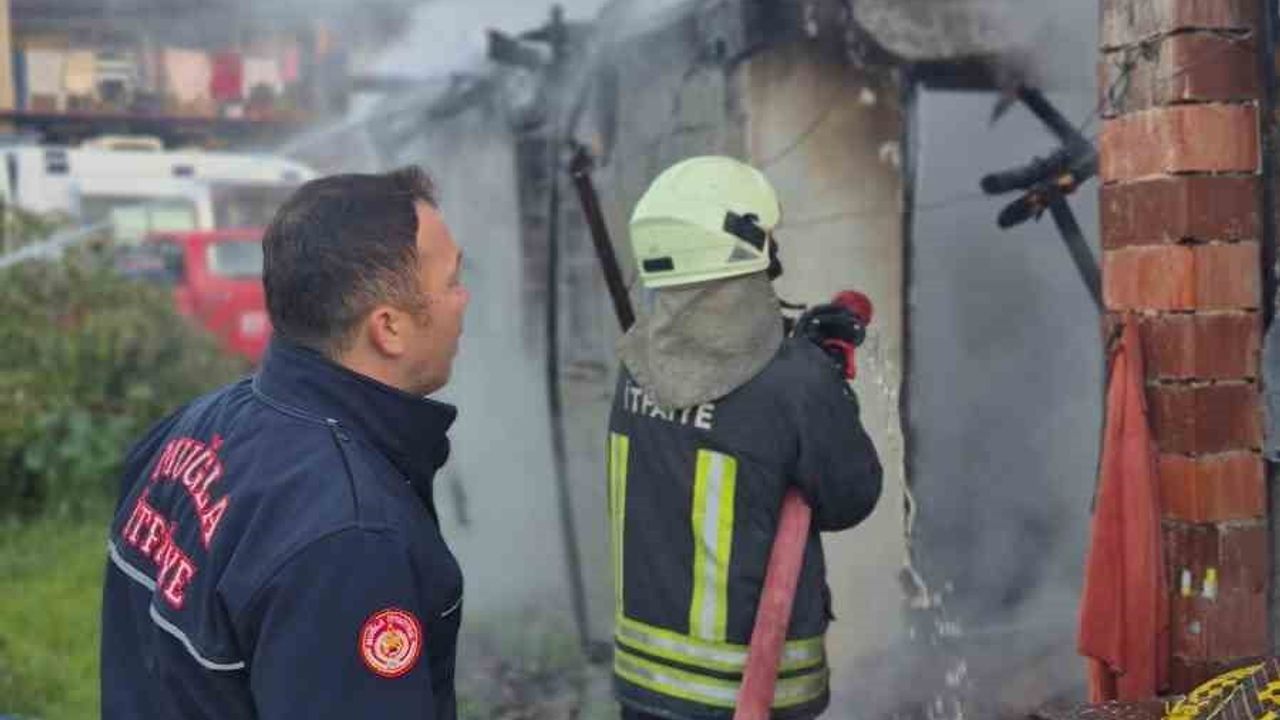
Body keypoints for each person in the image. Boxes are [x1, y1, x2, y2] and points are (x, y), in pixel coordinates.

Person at [100, 166, 470, 720]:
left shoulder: (197, 425)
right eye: (451, 282)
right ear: (387, 327)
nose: (463, 300)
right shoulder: (351, 541)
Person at [607, 156, 883, 719]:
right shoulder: (794, 382)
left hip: (647, 685)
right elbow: (851, 496)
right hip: (757, 691)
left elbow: (731, 412)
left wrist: (799, 354)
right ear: (748, 249)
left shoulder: (635, 365)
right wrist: (828, 387)